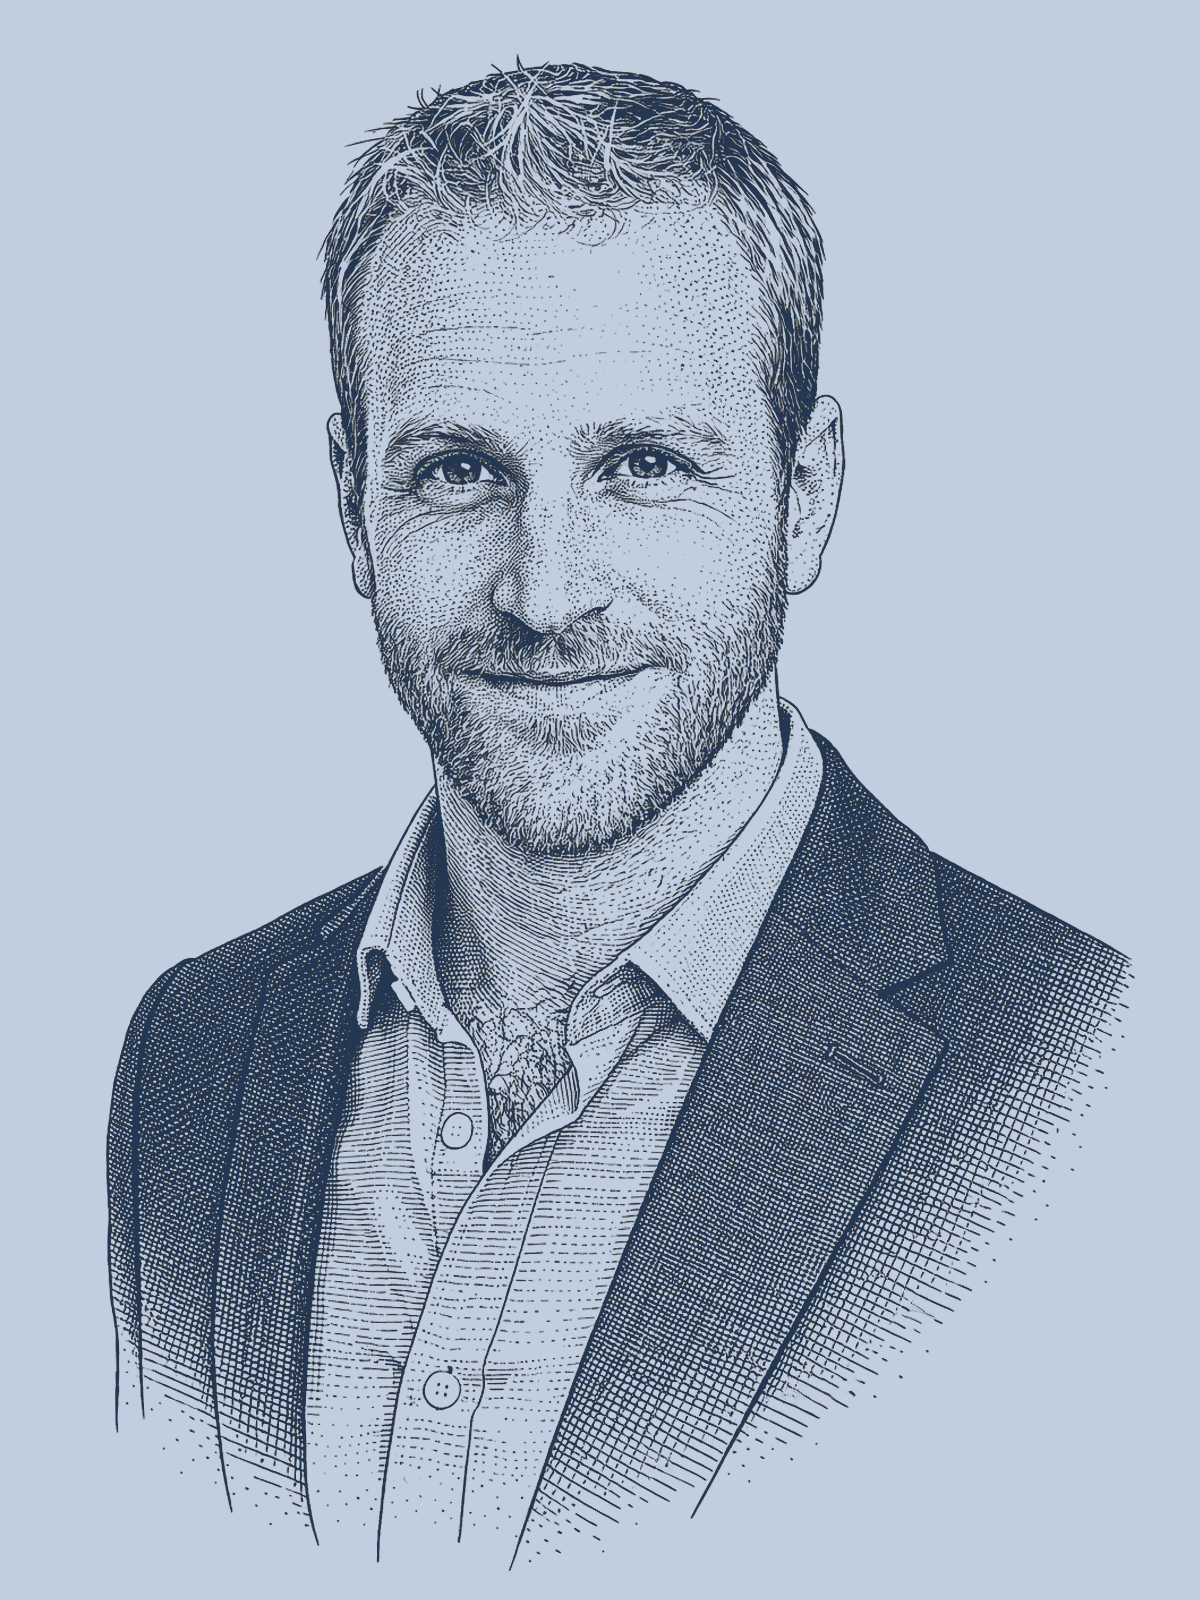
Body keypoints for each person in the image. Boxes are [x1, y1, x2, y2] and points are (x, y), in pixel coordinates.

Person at [107, 63, 1129, 1565]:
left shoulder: (1088, 1075)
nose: (545, 590)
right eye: (459, 471)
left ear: (808, 495)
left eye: (643, 466)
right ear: (350, 507)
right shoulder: (191, 1054)